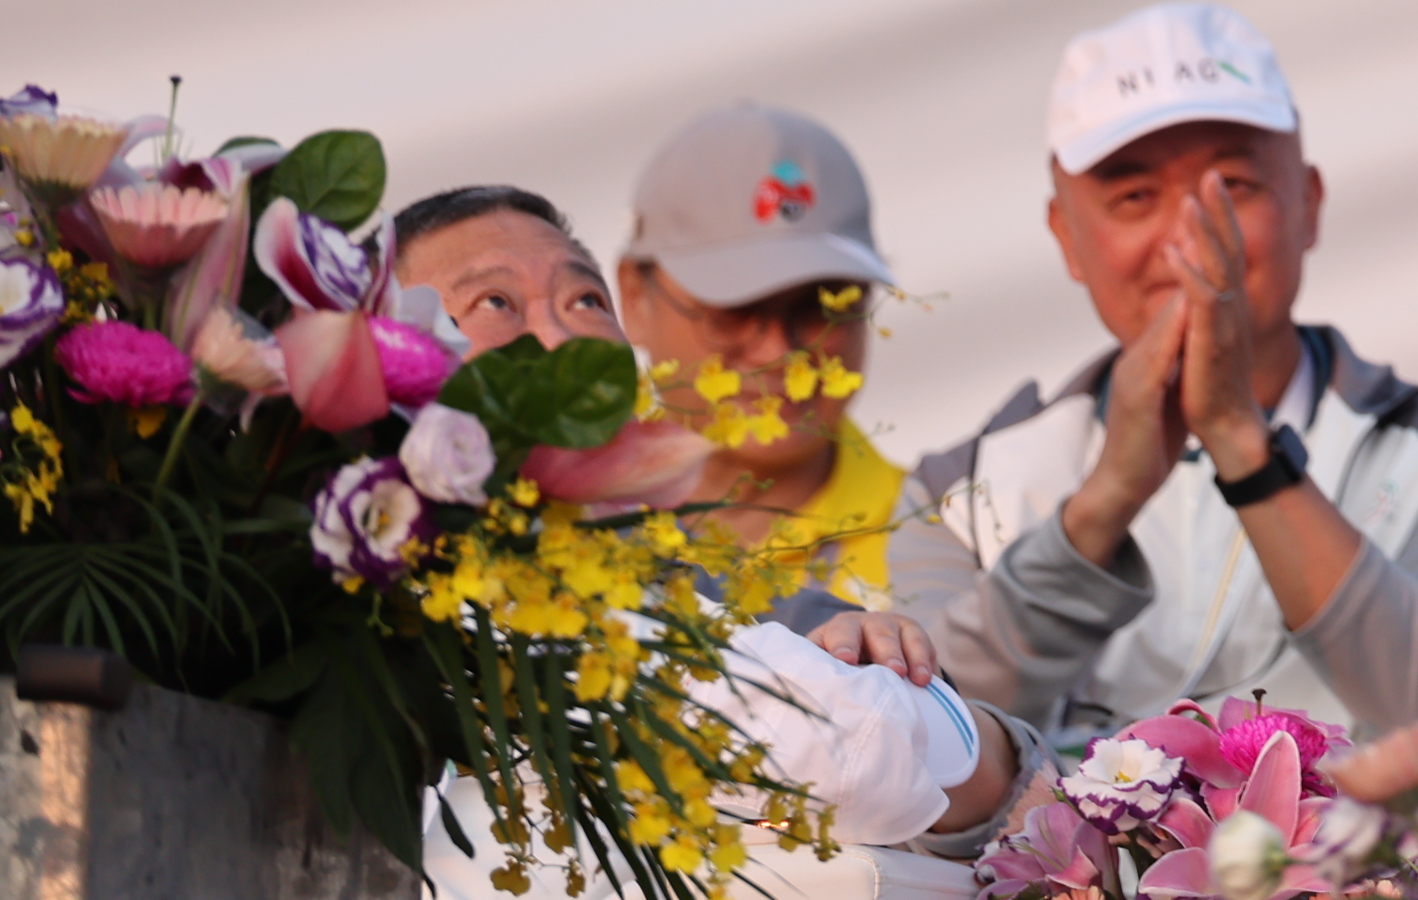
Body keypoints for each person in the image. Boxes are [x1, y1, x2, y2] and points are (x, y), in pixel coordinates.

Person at [896, 1, 1418, 762]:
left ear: (1309, 205)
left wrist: (1243, 444)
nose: (1189, 239)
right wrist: (1105, 503)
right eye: (1134, 198)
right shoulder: (960, 493)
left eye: (1232, 186)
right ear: (1067, 238)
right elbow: (926, 744)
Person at [381, 185, 1026, 865]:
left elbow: (971, 784)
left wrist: (913, 701)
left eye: (585, 301)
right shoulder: (330, 600)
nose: (562, 336)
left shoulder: (732, 607)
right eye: (495, 302)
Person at [613, 101, 905, 608]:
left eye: (821, 307)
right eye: (734, 310)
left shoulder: (950, 541)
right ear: (634, 297)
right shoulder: (556, 528)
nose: (778, 351)